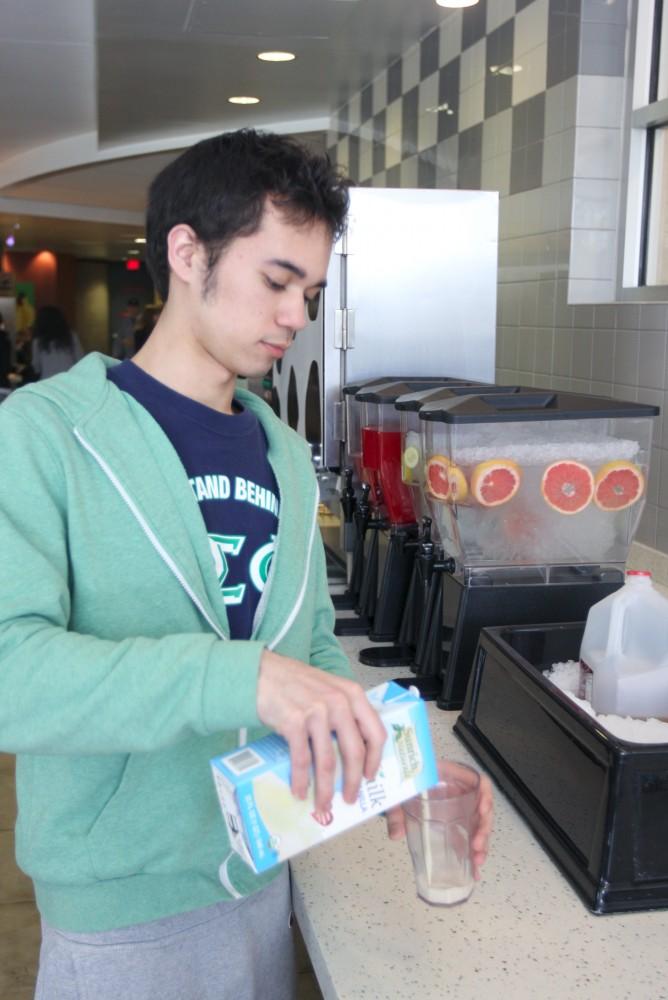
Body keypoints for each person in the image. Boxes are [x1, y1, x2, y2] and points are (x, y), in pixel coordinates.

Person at [0, 129, 493, 1000]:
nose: (297, 316)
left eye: (310, 290)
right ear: (188, 253)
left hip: (268, 884)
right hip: (123, 922)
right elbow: (12, 674)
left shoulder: (284, 454)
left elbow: (308, 658)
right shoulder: (45, 435)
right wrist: (241, 679)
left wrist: (397, 763)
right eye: (276, 281)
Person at [30, 305, 83, 379]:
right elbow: (80, 359)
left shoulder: (38, 341)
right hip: (69, 379)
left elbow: (36, 366)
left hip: (48, 381)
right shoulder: (71, 336)